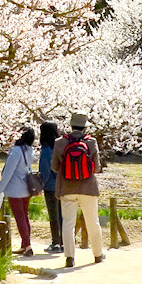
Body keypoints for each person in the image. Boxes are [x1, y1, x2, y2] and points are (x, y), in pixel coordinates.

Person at [49, 113, 103, 267]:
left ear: (71, 125)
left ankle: (70, 258)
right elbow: (97, 167)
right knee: (93, 221)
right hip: (88, 188)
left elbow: (54, 166)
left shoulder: (60, 142)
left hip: (67, 188)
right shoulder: (91, 142)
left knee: (68, 224)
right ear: (85, 127)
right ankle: (98, 254)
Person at [0, 127, 39, 255]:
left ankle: (27, 245)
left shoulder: (16, 151)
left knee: (20, 217)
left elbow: (8, 173)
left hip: (15, 190)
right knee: (24, 216)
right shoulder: (29, 151)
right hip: (26, 188)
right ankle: (25, 244)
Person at [38, 118, 65, 253]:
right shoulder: (60, 146)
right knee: (62, 215)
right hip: (63, 185)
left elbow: (45, 171)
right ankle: (64, 242)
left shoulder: (46, 150)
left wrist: (40, 184)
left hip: (50, 187)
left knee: (53, 216)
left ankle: (56, 243)